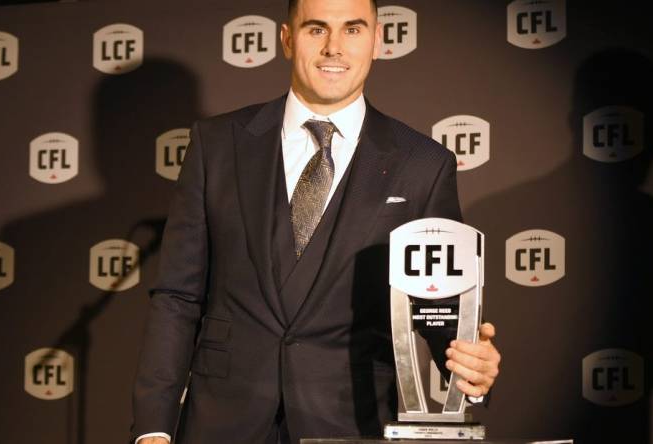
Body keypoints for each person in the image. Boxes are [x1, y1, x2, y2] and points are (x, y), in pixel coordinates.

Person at [132, 1, 501, 442]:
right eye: (316, 30)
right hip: (222, 423)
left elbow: (435, 302)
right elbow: (177, 296)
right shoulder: (216, 145)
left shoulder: (423, 163)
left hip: (350, 422)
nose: (333, 48)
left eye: (352, 30)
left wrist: (470, 365)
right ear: (287, 39)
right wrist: (153, 428)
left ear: (377, 40)